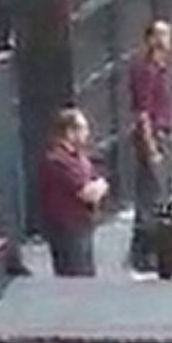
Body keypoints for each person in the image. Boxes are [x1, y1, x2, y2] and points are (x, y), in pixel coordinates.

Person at [128, 20, 172, 272]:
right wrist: (151, 148)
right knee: (150, 195)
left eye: (167, 35)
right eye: (161, 35)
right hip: (156, 134)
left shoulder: (164, 68)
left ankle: (158, 247)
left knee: (163, 192)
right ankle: (142, 251)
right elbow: (143, 114)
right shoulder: (145, 70)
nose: (166, 40)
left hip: (166, 131)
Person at [37, 108, 108, 277]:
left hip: (83, 225)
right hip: (67, 229)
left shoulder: (79, 157)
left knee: (86, 274)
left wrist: (99, 185)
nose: (87, 133)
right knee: (74, 277)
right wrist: (99, 186)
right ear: (70, 131)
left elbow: (97, 180)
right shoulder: (58, 160)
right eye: (83, 129)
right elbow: (87, 193)